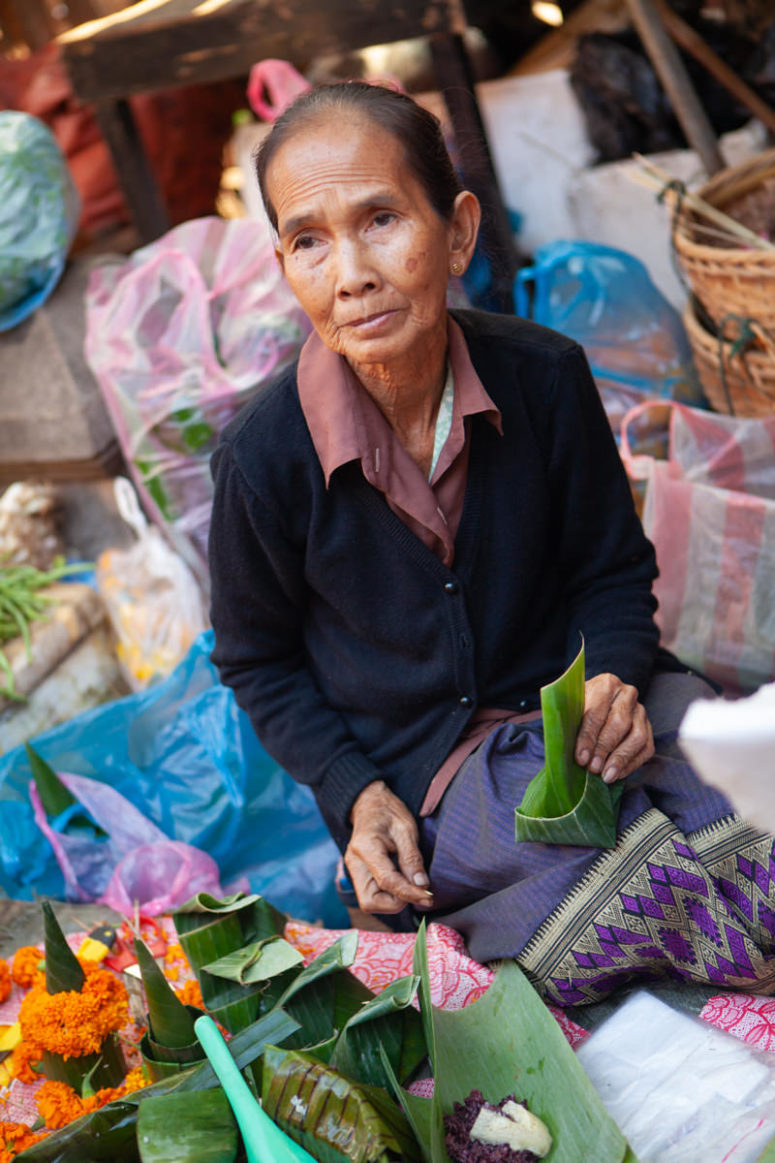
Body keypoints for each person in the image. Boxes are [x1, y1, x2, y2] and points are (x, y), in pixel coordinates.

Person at [209, 81, 775, 1006]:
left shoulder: (544, 376)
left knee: (748, 816)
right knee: (624, 892)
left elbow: (612, 571)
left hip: (590, 716)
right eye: (309, 240)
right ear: (284, 266)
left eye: (381, 219)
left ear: (459, 231)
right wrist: (357, 792)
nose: (349, 272)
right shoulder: (263, 459)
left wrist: (618, 677)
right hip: (438, 780)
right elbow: (256, 659)